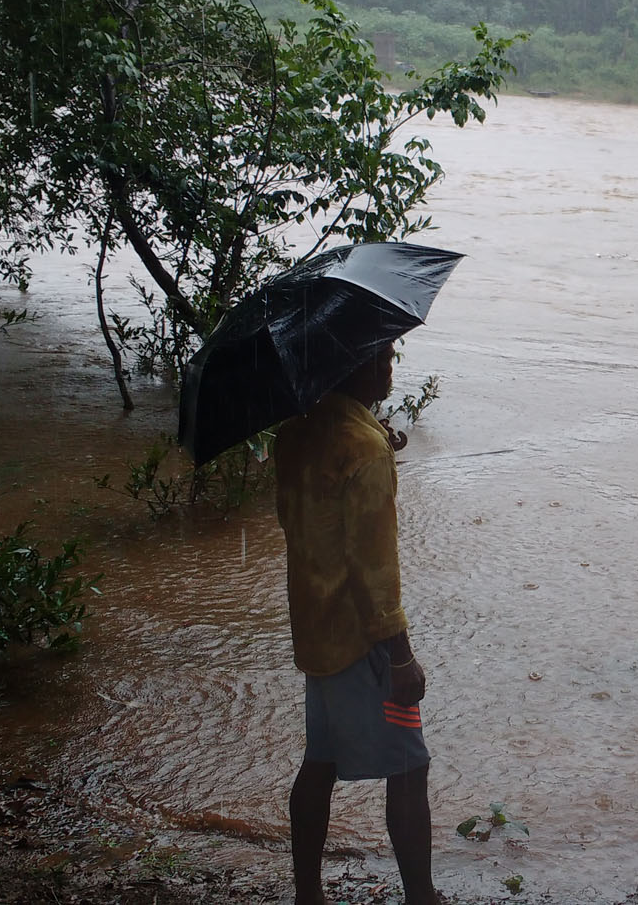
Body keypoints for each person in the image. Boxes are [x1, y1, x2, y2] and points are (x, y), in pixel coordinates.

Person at [274, 340, 442, 905]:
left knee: (318, 763)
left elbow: (297, 524)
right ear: (360, 365)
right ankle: (422, 896)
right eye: (384, 358)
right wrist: (400, 656)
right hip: (365, 643)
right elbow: (374, 569)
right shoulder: (364, 448)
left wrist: (374, 437)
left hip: (316, 636)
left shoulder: (297, 433)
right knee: (410, 767)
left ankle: (308, 894)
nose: (391, 368)